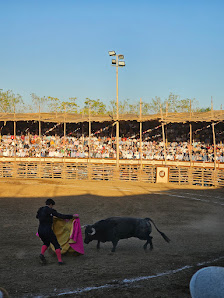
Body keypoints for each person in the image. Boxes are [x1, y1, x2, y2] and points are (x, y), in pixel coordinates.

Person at [36, 198, 78, 265]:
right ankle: (60, 261)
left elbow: (37, 217)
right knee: (56, 245)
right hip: (48, 230)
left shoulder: (40, 210)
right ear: (50, 204)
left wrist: (49, 217)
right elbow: (61, 216)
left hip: (40, 230)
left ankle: (42, 254)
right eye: (52, 205)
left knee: (46, 243)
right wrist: (71, 216)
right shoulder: (51, 210)